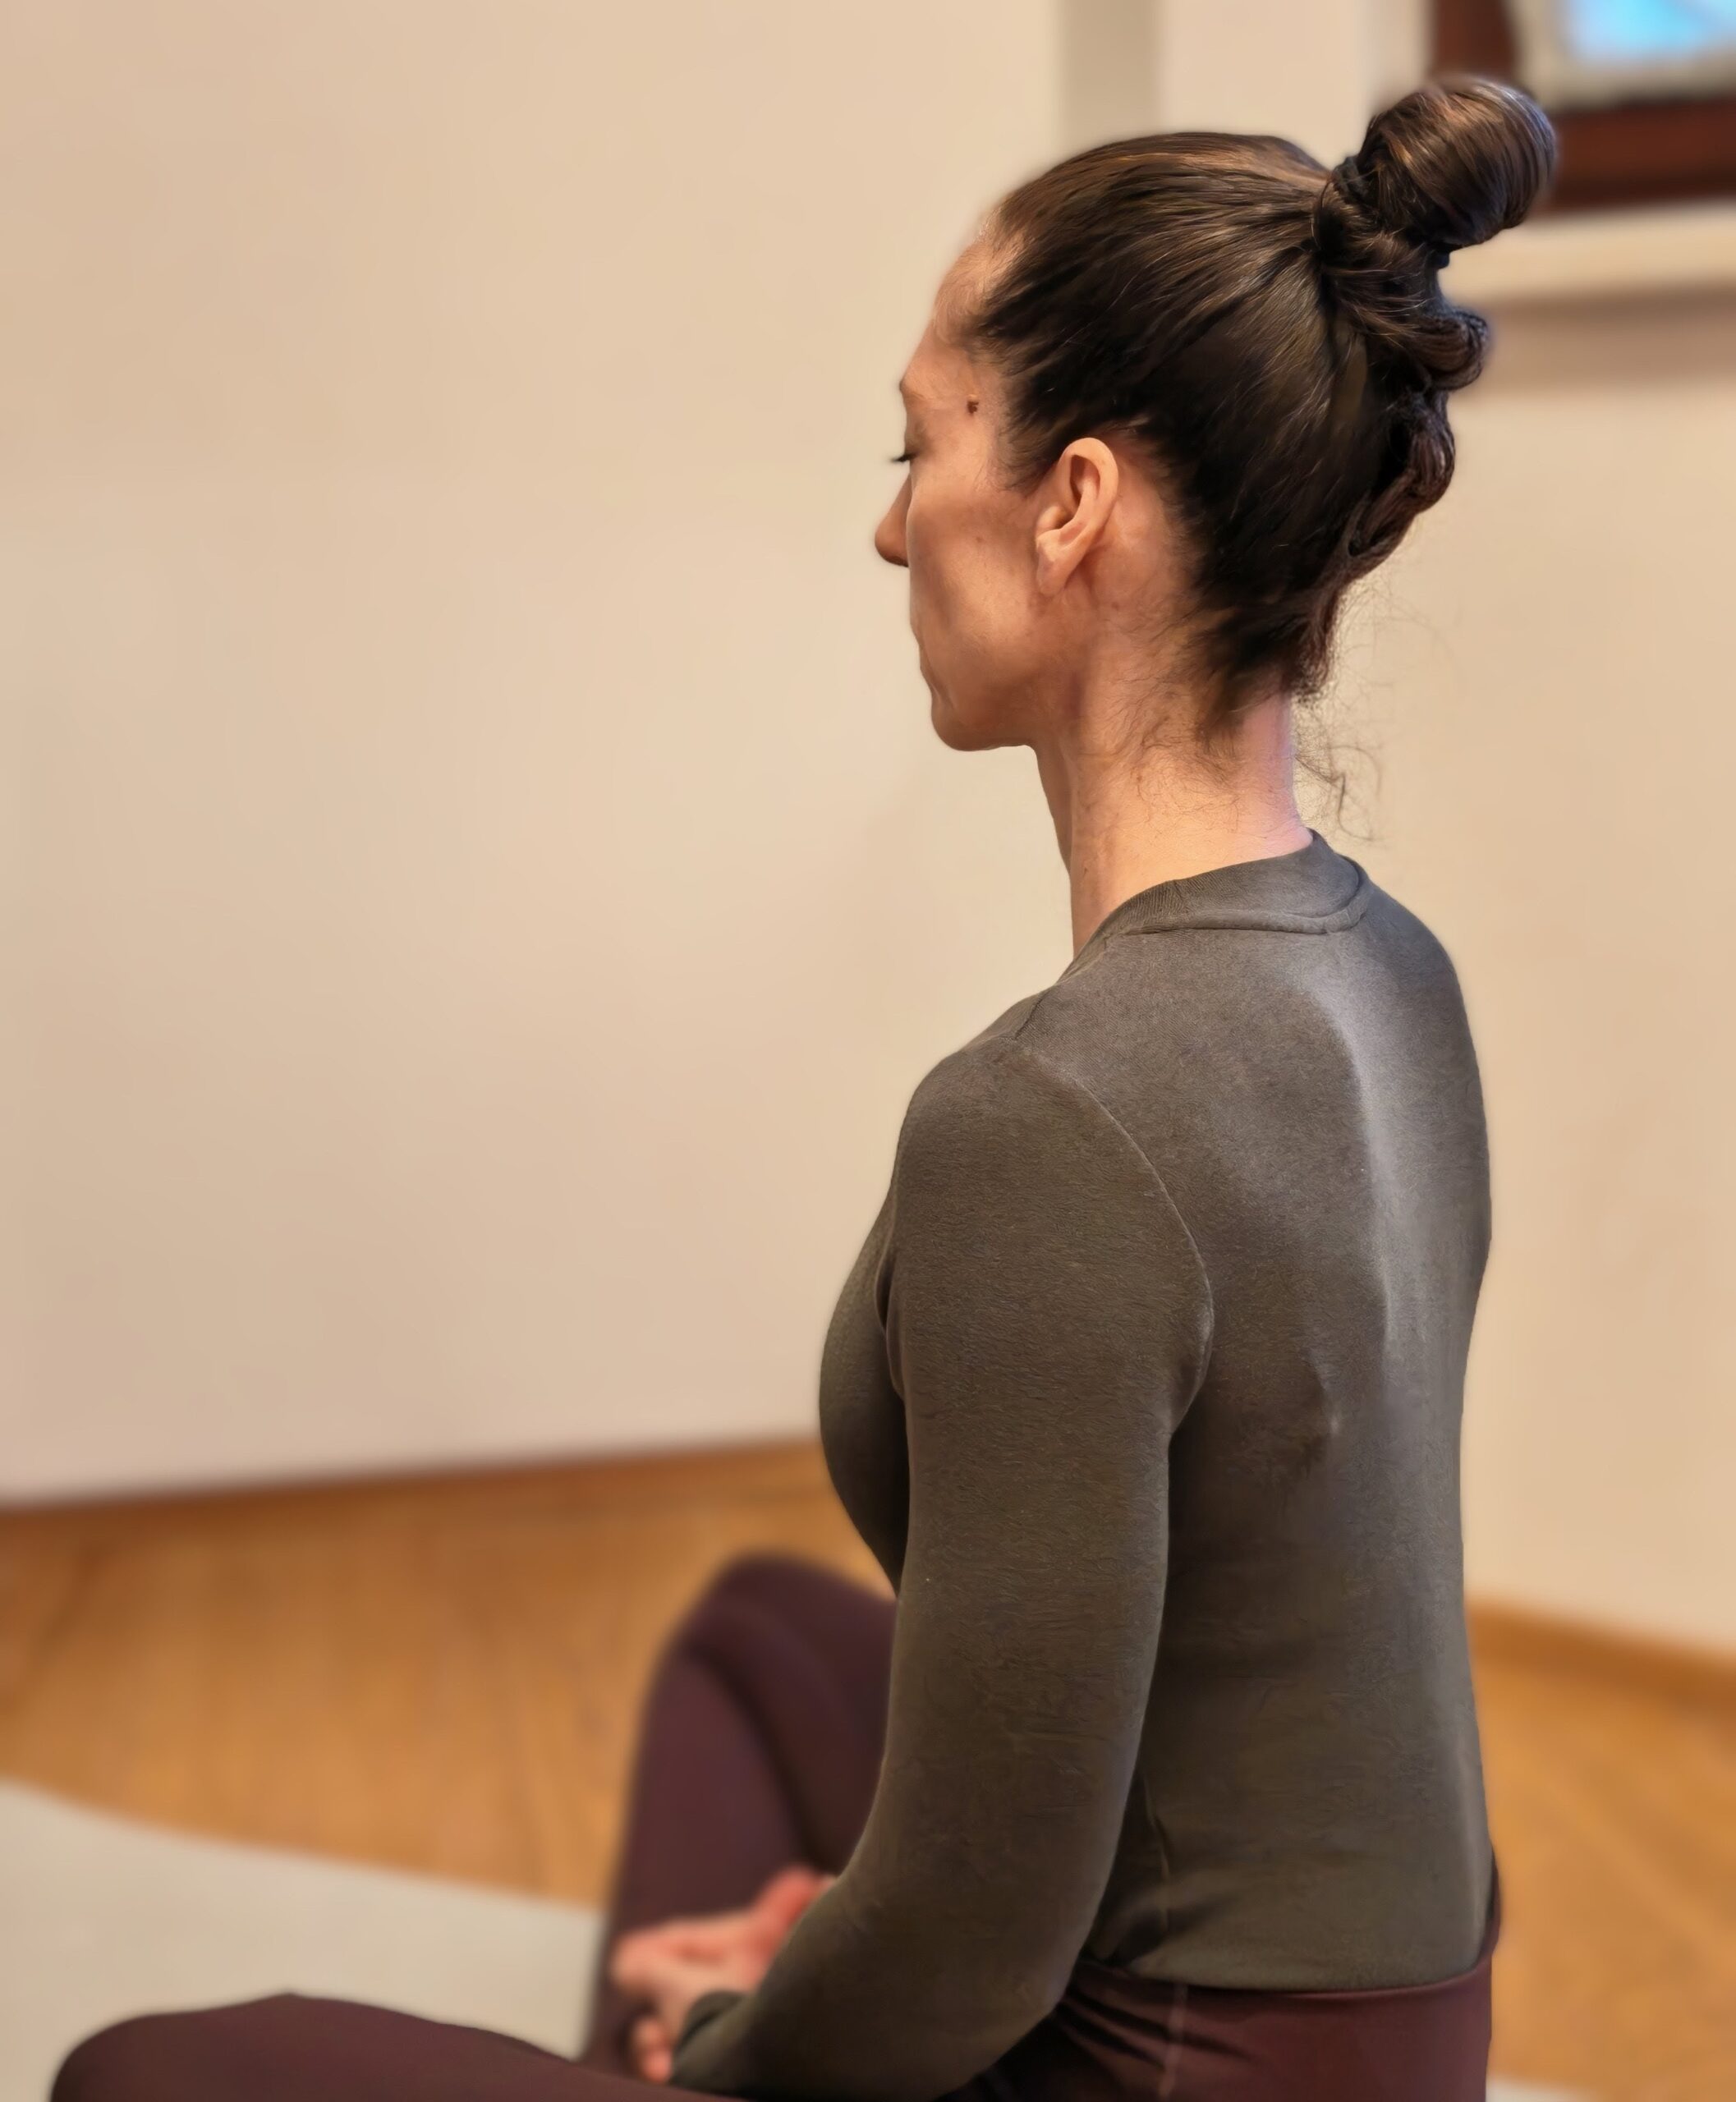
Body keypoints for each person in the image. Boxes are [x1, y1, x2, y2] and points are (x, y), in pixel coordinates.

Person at [49, 71, 1556, 2102]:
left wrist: (735, 2032)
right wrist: (832, 1932)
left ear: (1074, 502)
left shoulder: (1051, 1119)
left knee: (152, 2067)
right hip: (1381, 2035)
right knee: (759, 1640)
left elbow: (972, 1931)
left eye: (919, 441)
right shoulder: (1393, 972)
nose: (888, 519)